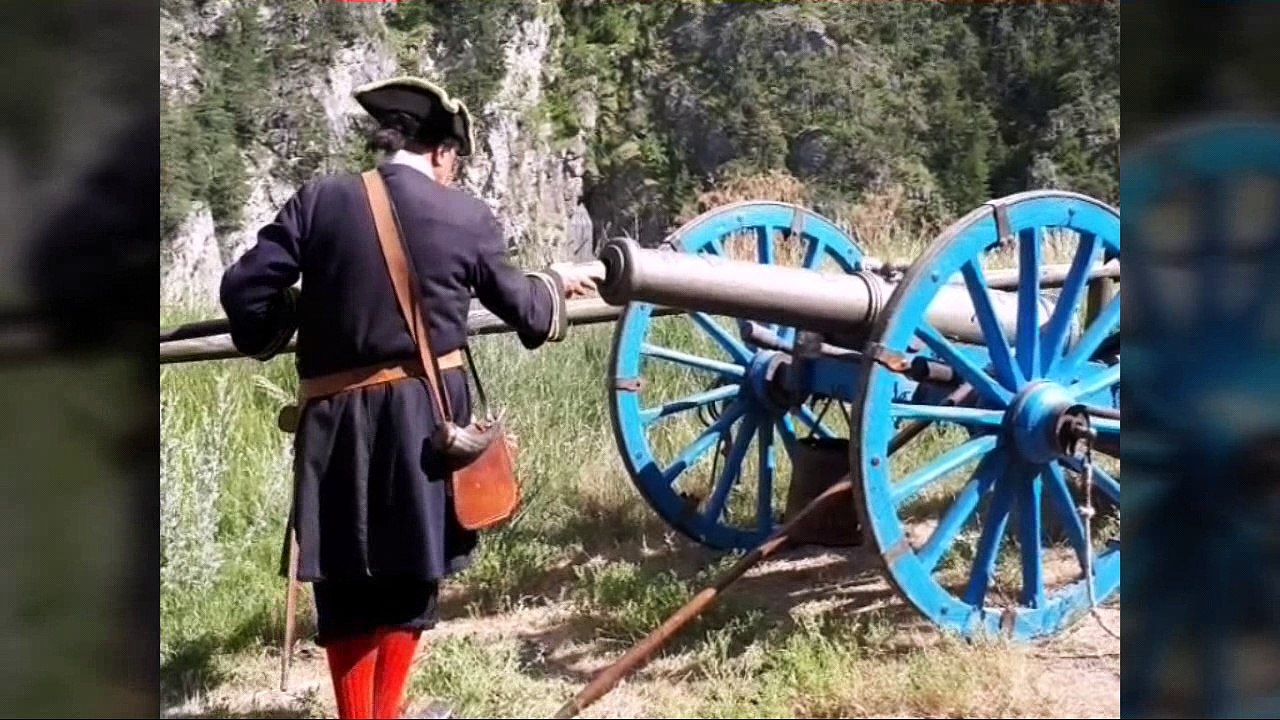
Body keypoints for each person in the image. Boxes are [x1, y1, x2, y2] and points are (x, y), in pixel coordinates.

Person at [218, 76, 600, 719]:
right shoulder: (466, 216)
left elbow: (243, 291)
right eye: (456, 160)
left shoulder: (320, 199)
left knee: (343, 587)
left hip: (333, 423)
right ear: (443, 152)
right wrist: (555, 280)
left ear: (390, 141)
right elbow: (530, 313)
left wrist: (283, 324)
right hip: (426, 422)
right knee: (410, 579)